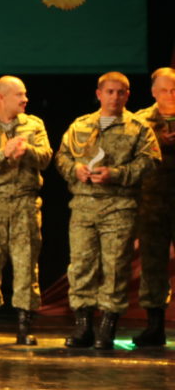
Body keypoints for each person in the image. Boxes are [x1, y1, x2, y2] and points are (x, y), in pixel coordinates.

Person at [57, 72, 161, 350]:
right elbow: (62, 156)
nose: (115, 97)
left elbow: (150, 161)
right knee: (81, 266)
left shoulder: (138, 128)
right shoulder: (80, 125)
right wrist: (74, 169)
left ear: (128, 95)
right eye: (110, 92)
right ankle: (83, 327)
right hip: (83, 206)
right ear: (99, 94)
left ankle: (107, 327)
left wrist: (116, 174)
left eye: (120, 92)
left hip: (119, 206)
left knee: (115, 268)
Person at [0, 76, 52, 345]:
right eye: (19, 95)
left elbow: (46, 157)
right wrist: (3, 154)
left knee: (27, 265)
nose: (25, 99)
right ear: (1, 97)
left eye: (25, 94)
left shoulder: (34, 125)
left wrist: (26, 150)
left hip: (25, 203)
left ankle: (24, 325)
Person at [133, 68, 175, 347]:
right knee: (153, 264)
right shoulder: (140, 121)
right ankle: (155, 325)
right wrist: (159, 142)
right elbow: (128, 154)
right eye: (164, 90)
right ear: (153, 92)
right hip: (152, 204)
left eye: (174, 90)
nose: (170, 95)